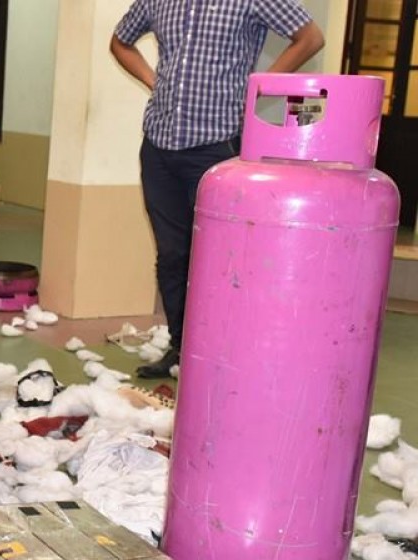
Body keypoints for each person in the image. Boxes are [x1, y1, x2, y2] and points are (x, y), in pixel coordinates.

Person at [110, 1, 324, 379]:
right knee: (173, 255)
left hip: (217, 147)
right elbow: (120, 42)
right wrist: (153, 81)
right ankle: (181, 347)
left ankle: (221, 349)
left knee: (220, 257)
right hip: (159, 145)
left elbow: (310, 38)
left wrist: (258, 88)